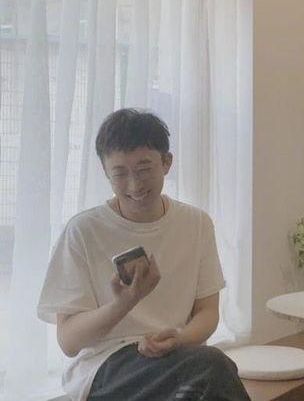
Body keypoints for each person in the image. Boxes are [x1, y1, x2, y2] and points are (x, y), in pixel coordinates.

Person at [37, 108, 250, 400]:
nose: (134, 185)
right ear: (105, 172)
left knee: (204, 379)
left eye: (144, 169)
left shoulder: (196, 223)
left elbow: (207, 311)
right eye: (120, 173)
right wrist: (124, 303)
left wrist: (179, 338)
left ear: (166, 162)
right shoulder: (83, 231)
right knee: (213, 367)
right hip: (106, 367)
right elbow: (68, 341)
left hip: (176, 357)